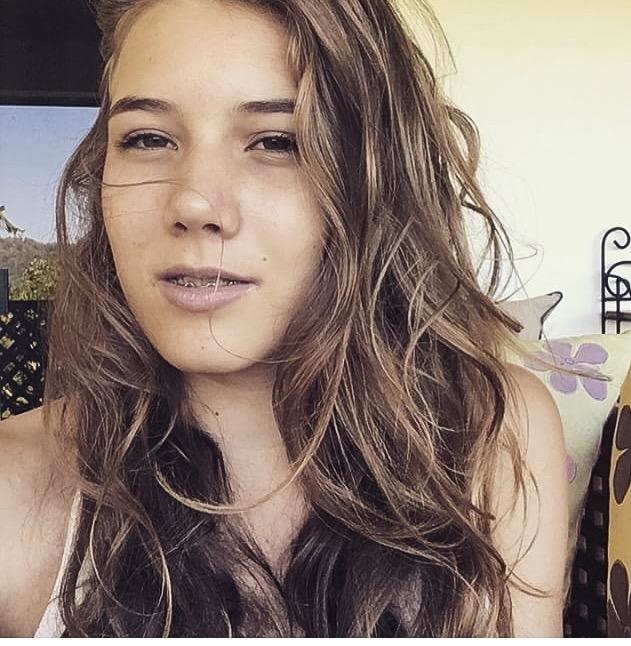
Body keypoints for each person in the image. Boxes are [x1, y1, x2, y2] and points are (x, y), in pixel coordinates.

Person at [0, 0, 568, 637]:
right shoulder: (14, 487)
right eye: (148, 138)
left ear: (374, 178)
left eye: (277, 141)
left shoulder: (494, 433)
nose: (194, 203)